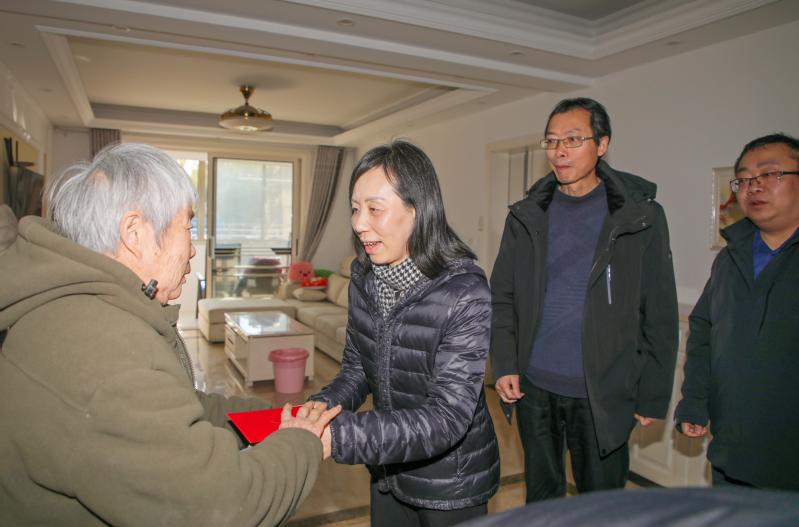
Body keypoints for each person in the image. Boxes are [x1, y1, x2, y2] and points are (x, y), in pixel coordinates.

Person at [0, 143, 340, 526]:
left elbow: (181, 407)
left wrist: (277, 418)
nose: (192, 248)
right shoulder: (106, 357)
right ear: (135, 233)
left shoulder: (86, 311)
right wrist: (304, 440)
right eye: (188, 226)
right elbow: (223, 506)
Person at [489, 97, 679, 502]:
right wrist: (504, 363)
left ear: (602, 144)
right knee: (542, 500)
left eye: (573, 139)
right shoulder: (527, 214)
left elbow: (659, 310)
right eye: (552, 141)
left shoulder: (640, 216)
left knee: (601, 505)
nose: (559, 151)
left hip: (603, 392)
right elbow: (502, 295)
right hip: (535, 387)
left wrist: (652, 393)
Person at [308, 140, 500, 527]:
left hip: (450, 484)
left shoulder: (464, 291)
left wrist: (341, 437)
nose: (359, 224)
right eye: (355, 208)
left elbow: (447, 417)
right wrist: (320, 407)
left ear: (418, 210)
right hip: (388, 467)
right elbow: (357, 368)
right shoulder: (364, 277)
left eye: (375, 208)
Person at [675, 133, 799, 491]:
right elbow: (703, 332)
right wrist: (694, 402)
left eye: (770, 174)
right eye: (743, 179)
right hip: (733, 454)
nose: (753, 186)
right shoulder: (730, 258)